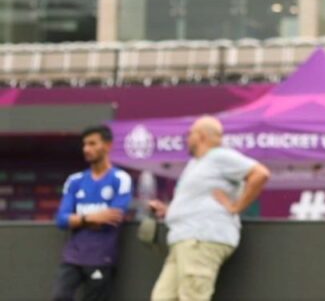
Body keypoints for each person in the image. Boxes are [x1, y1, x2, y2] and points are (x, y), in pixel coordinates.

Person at [147, 116, 270, 301]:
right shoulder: (196, 163)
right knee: (161, 297)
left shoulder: (220, 156)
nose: (187, 138)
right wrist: (168, 210)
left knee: (193, 297)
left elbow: (260, 174)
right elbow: (197, 199)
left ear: (201, 136)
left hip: (201, 238)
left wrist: (237, 206)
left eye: (190, 134)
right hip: (183, 239)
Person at [52, 125, 133, 301]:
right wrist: (91, 218)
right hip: (73, 256)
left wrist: (78, 220)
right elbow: (61, 219)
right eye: (85, 144)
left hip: (102, 257)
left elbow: (113, 218)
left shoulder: (120, 179)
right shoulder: (75, 180)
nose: (86, 149)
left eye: (92, 143)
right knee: (59, 296)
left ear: (108, 146)